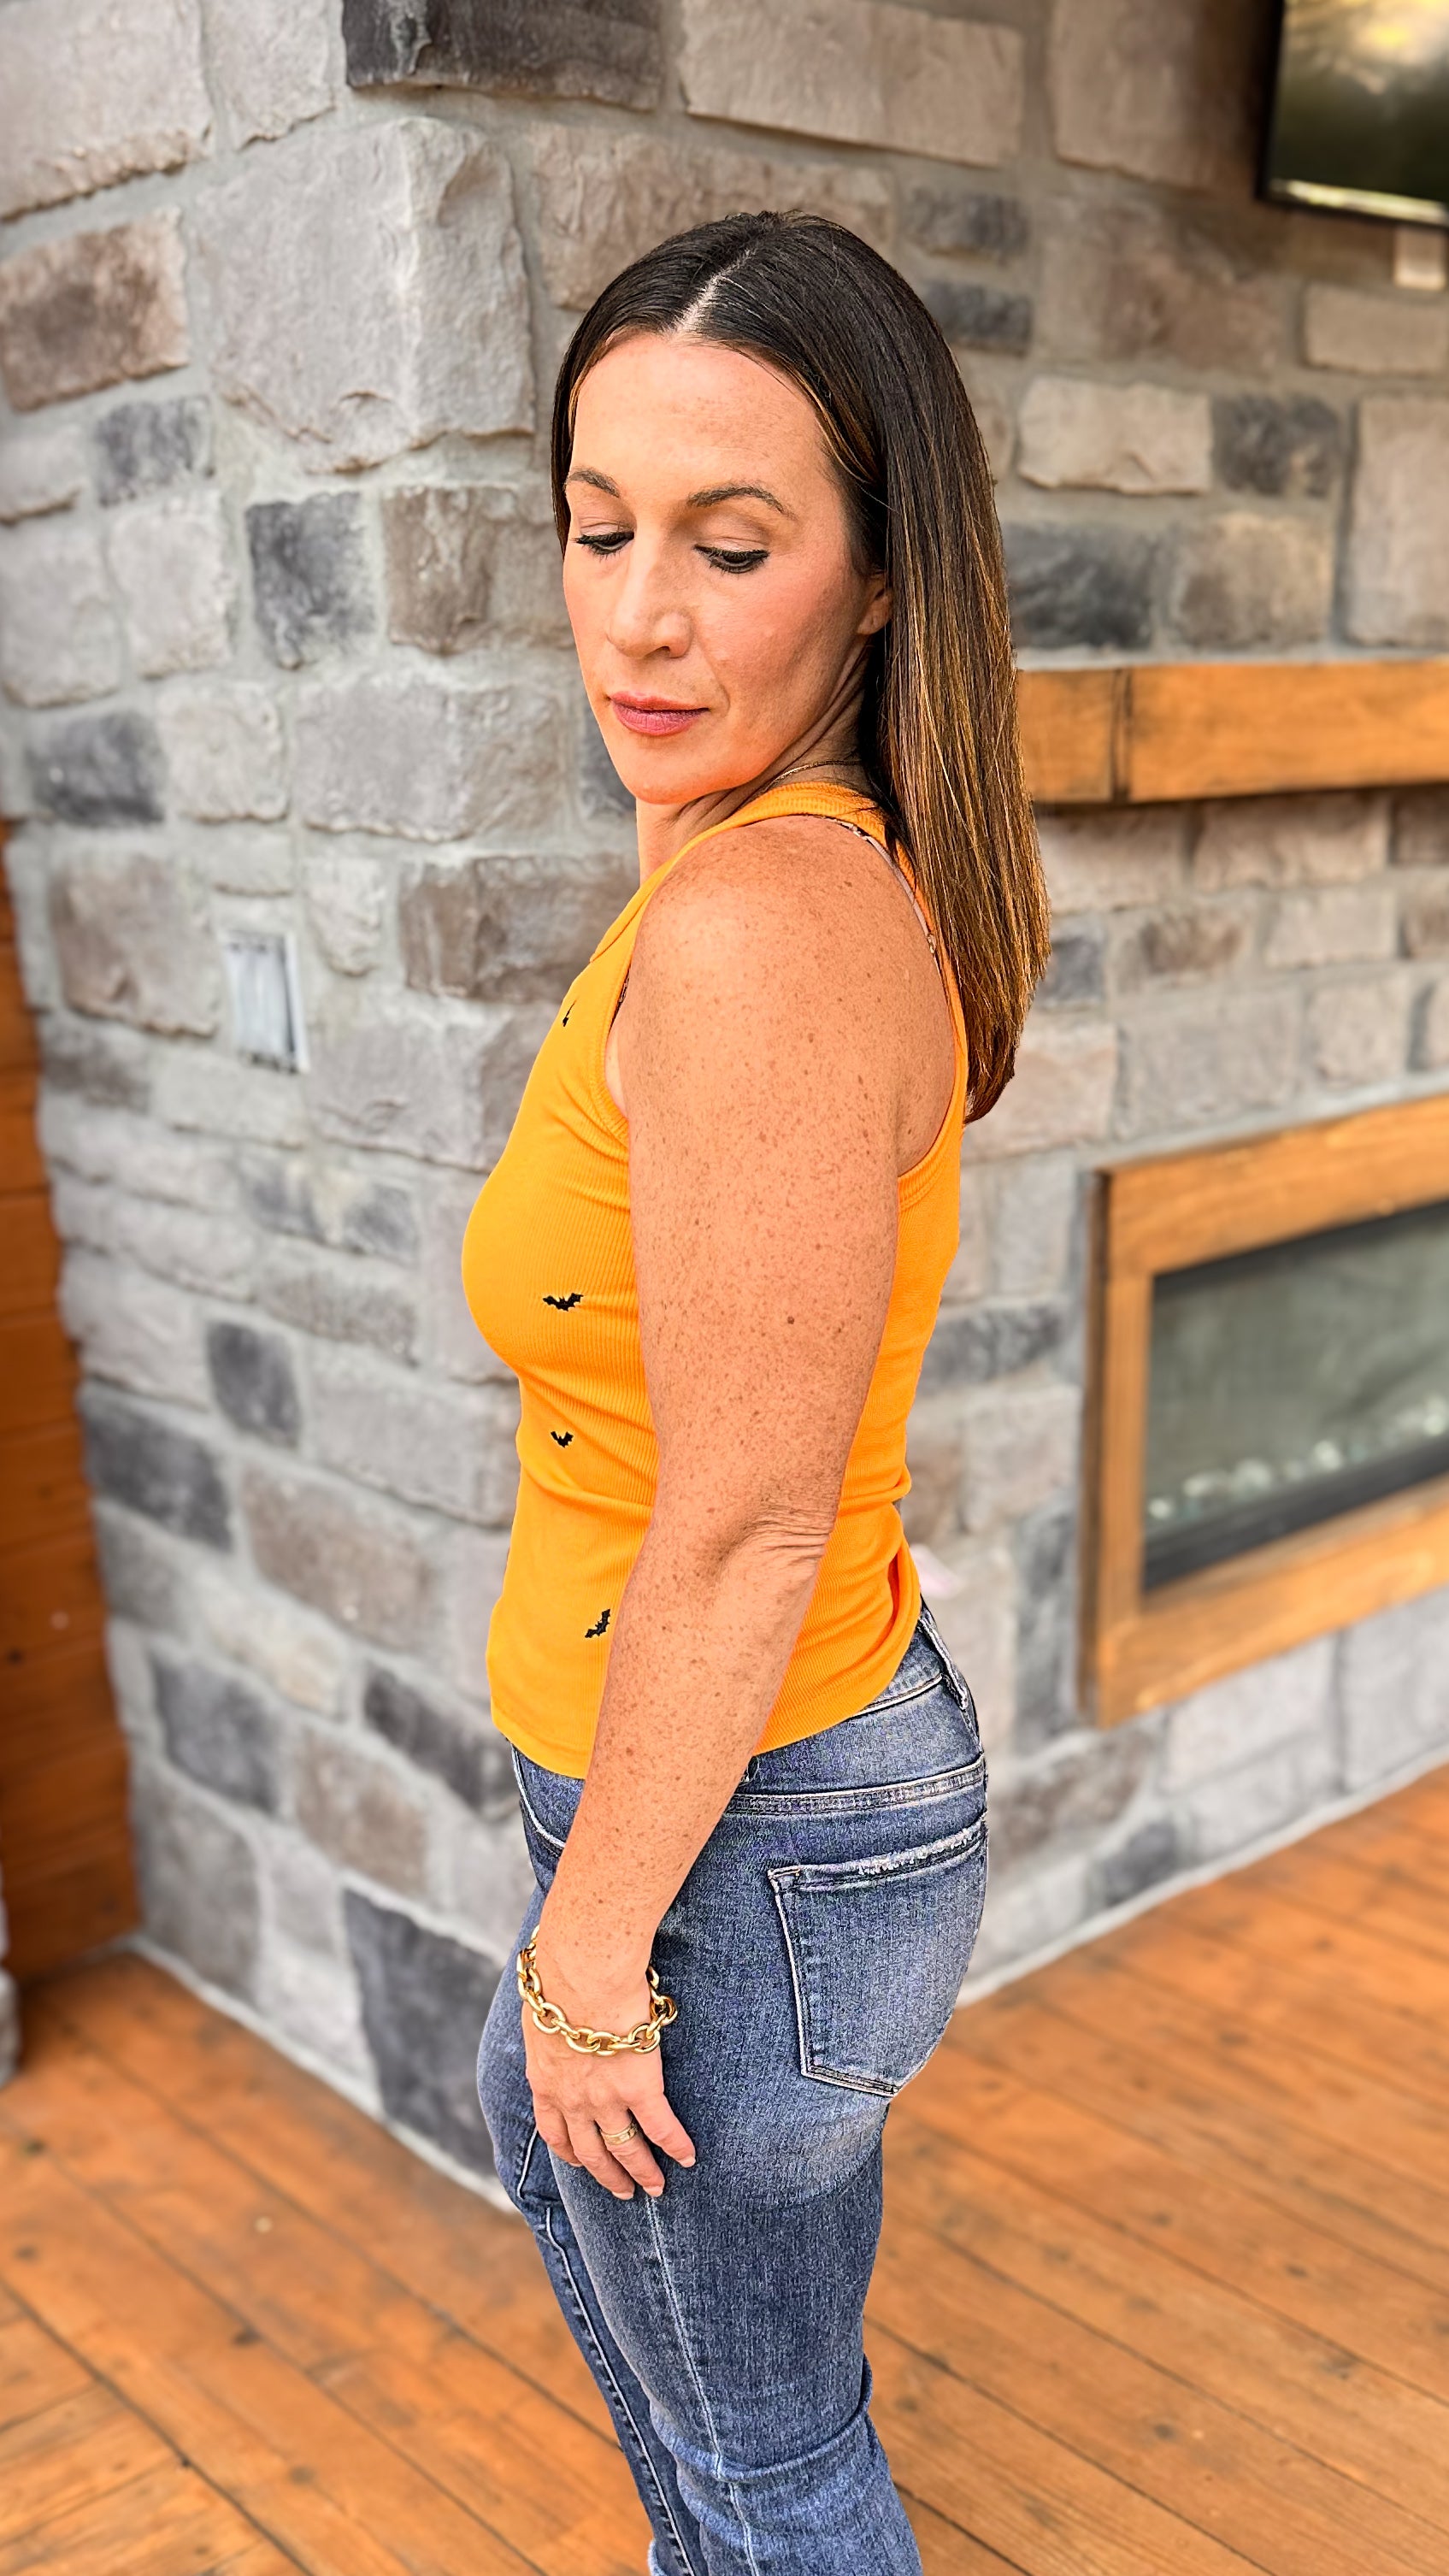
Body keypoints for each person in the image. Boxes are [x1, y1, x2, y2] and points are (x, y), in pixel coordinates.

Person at [468, 210, 1048, 2575]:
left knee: (769, 2459)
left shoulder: (758, 939)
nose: (636, 618)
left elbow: (740, 1525)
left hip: (743, 1826)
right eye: (597, 528)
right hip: (741, 1795)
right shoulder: (765, 875)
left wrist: (597, 1957)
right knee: (707, 2396)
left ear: (883, 579)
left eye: (730, 548)